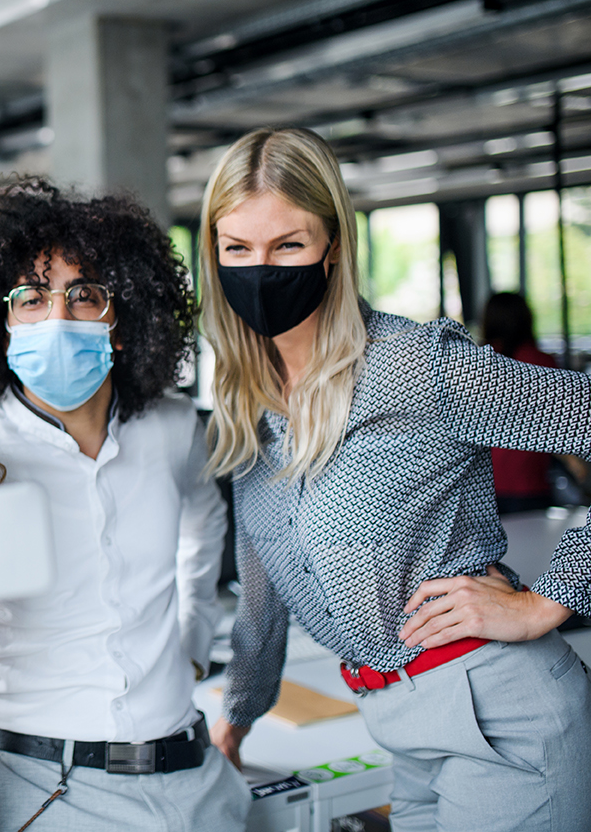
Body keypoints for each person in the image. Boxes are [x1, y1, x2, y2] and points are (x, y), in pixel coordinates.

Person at [200, 127, 591, 832]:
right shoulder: (248, 407)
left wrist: (549, 600)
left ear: (333, 248)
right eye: (238, 249)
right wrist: (236, 719)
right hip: (400, 727)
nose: (260, 270)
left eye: (288, 245)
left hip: (501, 716)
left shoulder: (413, 367)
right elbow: (264, 591)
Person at [0, 178, 249, 832]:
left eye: (85, 295)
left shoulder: (174, 427)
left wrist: (190, 642)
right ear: (1, 320)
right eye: (33, 297)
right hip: (43, 787)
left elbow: (205, 521)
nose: (59, 317)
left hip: (196, 783)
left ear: (121, 318)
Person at [481, 291, 569, 513]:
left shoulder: (478, 364)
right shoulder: (542, 363)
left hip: (484, 481)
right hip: (529, 480)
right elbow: (558, 424)